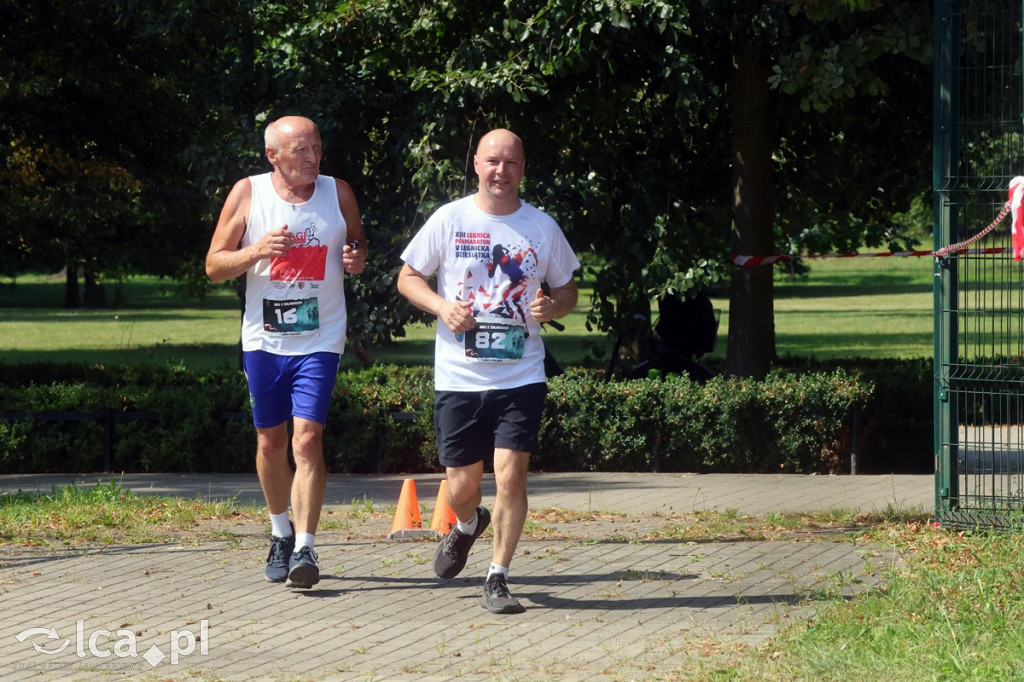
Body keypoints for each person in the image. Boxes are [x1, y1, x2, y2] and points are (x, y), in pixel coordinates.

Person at [397, 129, 579, 614]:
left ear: (523, 167)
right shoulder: (450, 218)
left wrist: (551, 306)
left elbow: (567, 291)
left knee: (511, 476)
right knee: (461, 484)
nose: (501, 171)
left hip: (521, 376)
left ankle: (497, 576)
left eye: (511, 162)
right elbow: (407, 276)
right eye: (492, 161)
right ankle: (466, 523)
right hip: (459, 377)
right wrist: (441, 306)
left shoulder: (541, 227)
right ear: (476, 164)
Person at [206, 115, 366, 589]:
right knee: (271, 444)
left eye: (317, 147)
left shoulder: (337, 191)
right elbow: (215, 265)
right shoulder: (249, 193)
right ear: (273, 155)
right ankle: (280, 531)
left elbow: (356, 241)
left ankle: (306, 546)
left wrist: (355, 256)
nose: (314, 158)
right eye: (302, 151)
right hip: (265, 339)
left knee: (308, 438)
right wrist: (256, 251)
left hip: (320, 337)